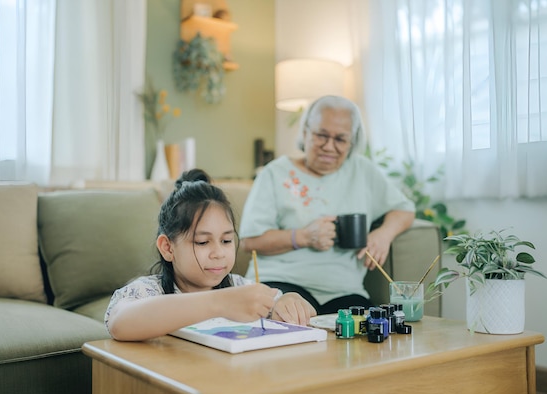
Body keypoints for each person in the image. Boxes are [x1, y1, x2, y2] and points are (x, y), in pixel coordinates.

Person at [239, 95, 415, 315]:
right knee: (291, 323)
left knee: (372, 333)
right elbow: (249, 241)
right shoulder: (275, 173)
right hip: (280, 282)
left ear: (352, 141)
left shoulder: (362, 171)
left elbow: (404, 209)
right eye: (321, 135)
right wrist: (303, 236)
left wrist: (383, 234)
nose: (329, 146)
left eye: (340, 139)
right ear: (305, 132)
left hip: (343, 291)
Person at [105, 169, 316, 341]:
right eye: (203, 242)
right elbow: (120, 324)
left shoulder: (240, 287)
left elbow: (280, 304)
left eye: (226, 241)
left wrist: (290, 301)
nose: (218, 253)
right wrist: (219, 303)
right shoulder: (147, 291)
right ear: (168, 248)